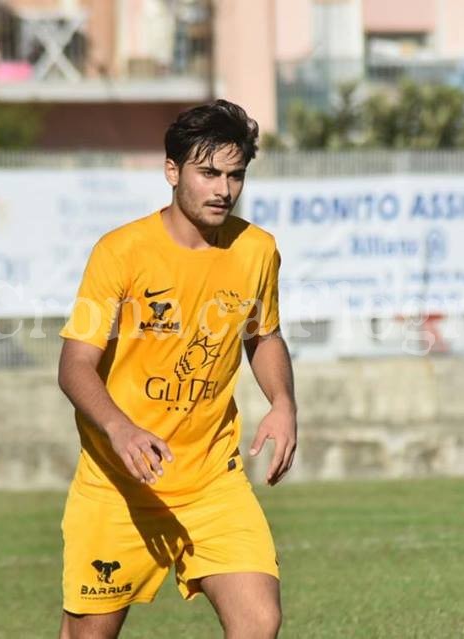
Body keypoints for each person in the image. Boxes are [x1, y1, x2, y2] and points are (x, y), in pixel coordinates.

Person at [57, 99, 297, 639]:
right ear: (172, 170)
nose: (224, 189)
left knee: (259, 622)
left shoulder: (258, 250)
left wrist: (283, 404)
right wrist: (120, 428)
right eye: (208, 172)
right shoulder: (120, 252)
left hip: (213, 482)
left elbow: (265, 335)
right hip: (119, 485)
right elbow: (74, 365)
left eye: (235, 175)